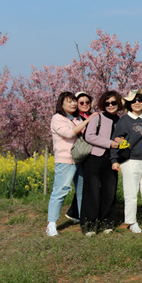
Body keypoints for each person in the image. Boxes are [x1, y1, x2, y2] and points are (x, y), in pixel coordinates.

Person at [46, 92, 98, 237]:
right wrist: (88, 121)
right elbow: (69, 134)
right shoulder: (58, 118)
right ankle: (51, 224)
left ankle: (84, 221)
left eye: (74, 101)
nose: (73, 104)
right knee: (61, 190)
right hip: (65, 160)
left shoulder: (75, 118)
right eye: (69, 102)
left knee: (82, 192)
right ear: (61, 104)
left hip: (79, 159)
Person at [110, 89, 142, 233]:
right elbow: (116, 140)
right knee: (131, 193)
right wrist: (114, 159)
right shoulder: (124, 121)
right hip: (130, 161)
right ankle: (131, 222)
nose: (137, 103)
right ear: (129, 104)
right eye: (134, 101)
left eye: (140, 100)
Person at [81, 90, 124, 236]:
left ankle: (107, 222)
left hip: (112, 160)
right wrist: (110, 143)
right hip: (95, 158)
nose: (110, 105)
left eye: (113, 102)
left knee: (109, 192)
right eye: (107, 103)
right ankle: (90, 224)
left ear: (118, 103)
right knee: (92, 192)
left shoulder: (121, 120)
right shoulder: (97, 117)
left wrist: (121, 142)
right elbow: (89, 136)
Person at [65, 91, 93, 222]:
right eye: (81, 103)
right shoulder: (74, 118)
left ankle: (77, 213)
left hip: (91, 154)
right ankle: (81, 215)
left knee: (88, 185)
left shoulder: (93, 115)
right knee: (82, 185)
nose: (85, 105)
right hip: (80, 154)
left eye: (87, 102)